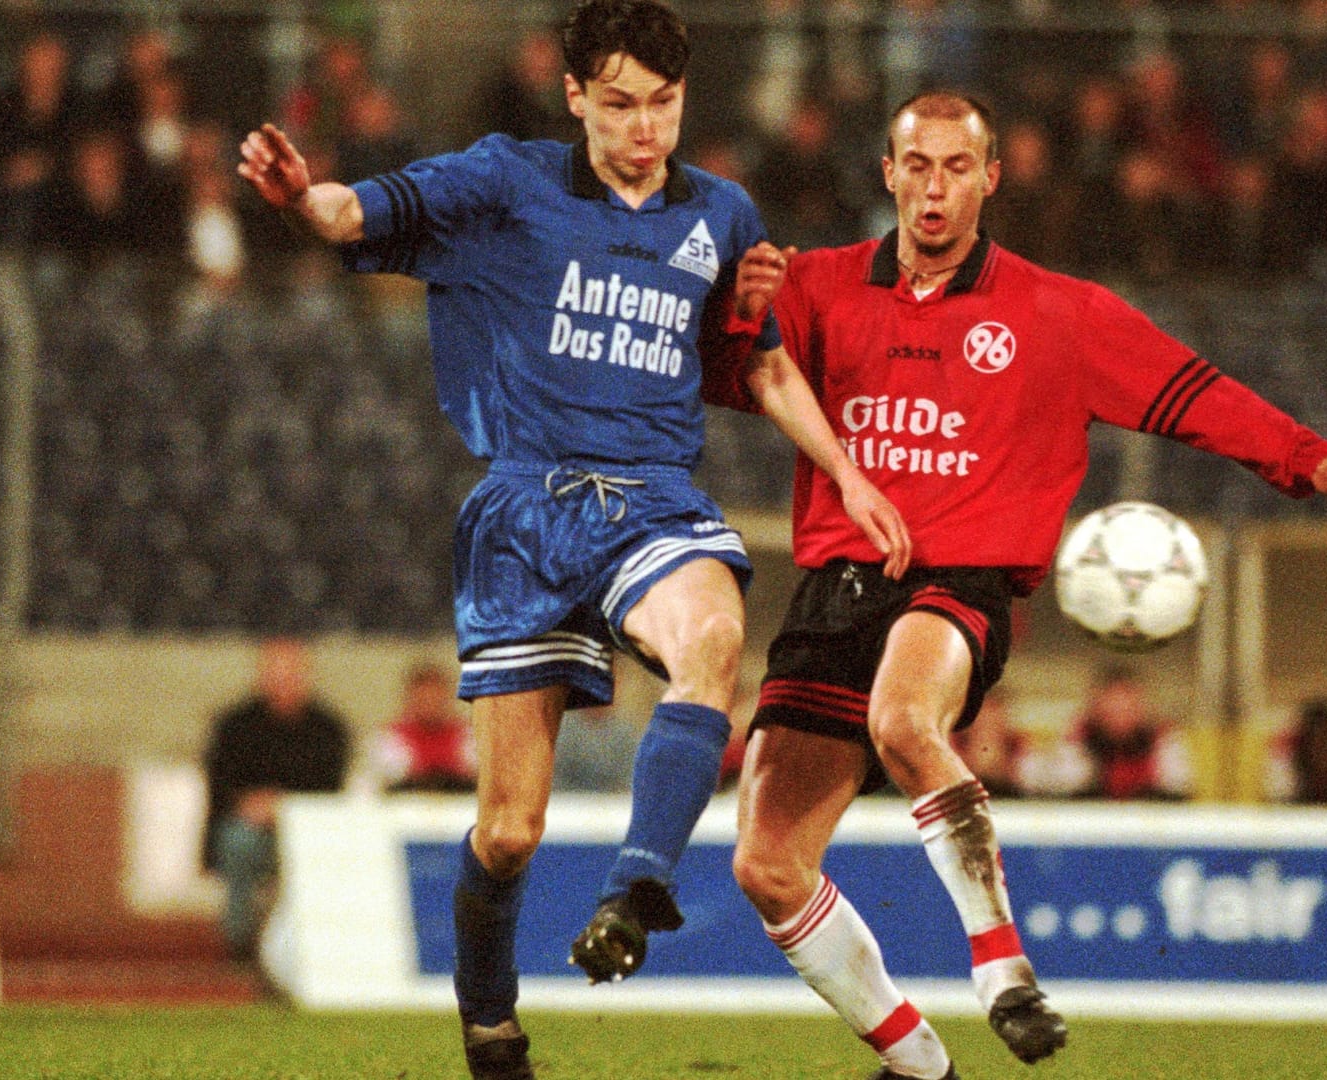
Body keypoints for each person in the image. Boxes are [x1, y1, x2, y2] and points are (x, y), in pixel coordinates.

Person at [236, 3, 893, 1075]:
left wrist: (847, 472)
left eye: (666, 105)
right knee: (508, 833)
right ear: (577, 95)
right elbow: (352, 214)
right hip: (524, 512)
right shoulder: (504, 183)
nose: (645, 128)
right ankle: (490, 1026)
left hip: (650, 498)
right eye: (622, 104)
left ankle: (637, 887)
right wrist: (298, 197)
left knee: (715, 640)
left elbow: (763, 363)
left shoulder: (721, 213)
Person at [708, 91, 1327, 1079]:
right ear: (888, 173)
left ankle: (1002, 968)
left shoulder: (1057, 311)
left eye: (956, 166)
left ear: (991, 177)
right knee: (766, 866)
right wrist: (736, 313)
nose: (935, 187)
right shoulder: (816, 286)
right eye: (917, 165)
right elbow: (727, 376)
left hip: (962, 584)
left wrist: (1307, 460)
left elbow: (1191, 392)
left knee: (906, 718)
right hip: (835, 589)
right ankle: (917, 1063)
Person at [200, 637, 350, 959]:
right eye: (276, 672)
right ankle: (240, 945)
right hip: (253, 832)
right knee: (237, 844)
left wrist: (285, 807)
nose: (283, 681)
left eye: (291, 673)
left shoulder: (328, 728)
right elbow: (220, 785)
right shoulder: (234, 725)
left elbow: (332, 790)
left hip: (310, 833)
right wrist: (249, 805)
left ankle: (318, 947)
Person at [1044, 663, 1197, 801]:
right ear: (1096, 708)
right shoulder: (1076, 738)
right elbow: (1069, 791)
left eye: (1128, 709)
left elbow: (1176, 791)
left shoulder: (1165, 739)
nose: (1120, 719)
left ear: (1142, 708)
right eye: (1112, 711)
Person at [373, 661, 477, 793]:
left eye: (436, 697)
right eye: (424, 698)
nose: (430, 704)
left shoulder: (469, 738)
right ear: (410, 698)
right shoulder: (389, 740)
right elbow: (370, 789)